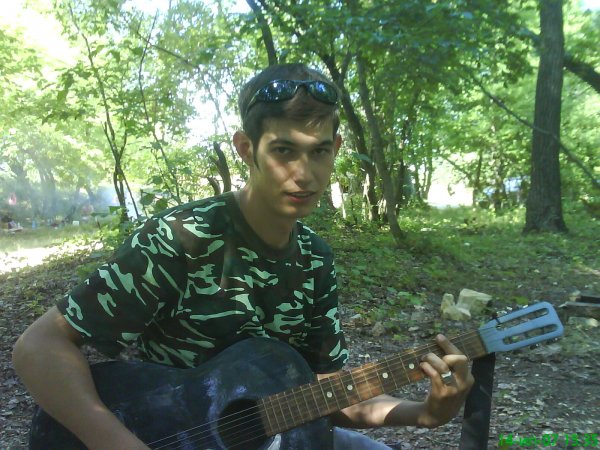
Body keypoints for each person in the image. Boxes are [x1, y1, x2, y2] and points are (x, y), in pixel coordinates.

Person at [13, 63, 474, 449]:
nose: (304, 174)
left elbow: (324, 396)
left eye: (319, 152)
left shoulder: (315, 260)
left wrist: (423, 413)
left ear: (335, 150)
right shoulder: (181, 239)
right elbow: (39, 347)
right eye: (283, 151)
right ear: (245, 149)